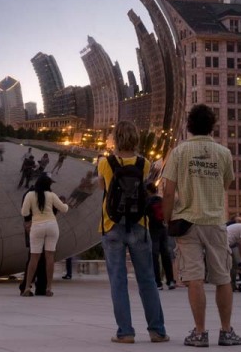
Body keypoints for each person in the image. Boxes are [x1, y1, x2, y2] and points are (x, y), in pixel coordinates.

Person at [162, 104, 241, 347]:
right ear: (212, 126)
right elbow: (226, 183)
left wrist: (167, 220)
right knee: (222, 277)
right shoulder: (223, 153)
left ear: (189, 126)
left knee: (194, 277)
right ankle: (226, 331)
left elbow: (168, 190)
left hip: (187, 222)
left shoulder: (179, 152)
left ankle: (199, 332)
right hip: (216, 221)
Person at [98, 121, 168, 344]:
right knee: (147, 278)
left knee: (118, 281)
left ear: (116, 138)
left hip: (111, 225)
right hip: (139, 224)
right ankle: (157, 331)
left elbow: (103, 188)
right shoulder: (143, 163)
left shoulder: (104, 163)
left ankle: (125, 332)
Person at [20, 175, 68, 297]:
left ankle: (27, 288)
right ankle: (48, 288)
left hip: (37, 227)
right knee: (49, 257)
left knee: (34, 258)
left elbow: (24, 212)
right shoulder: (51, 195)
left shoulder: (30, 195)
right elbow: (64, 209)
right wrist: (65, 204)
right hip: (52, 226)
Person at [145, 182, 175, 290]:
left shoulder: (148, 201)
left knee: (154, 255)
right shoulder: (161, 200)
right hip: (163, 228)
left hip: (153, 230)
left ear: (148, 191)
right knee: (165, 254)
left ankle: (158, 283)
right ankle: (170, 280)